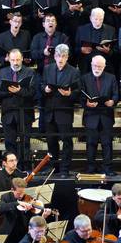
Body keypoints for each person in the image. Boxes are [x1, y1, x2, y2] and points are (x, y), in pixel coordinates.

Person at [41, 44, 80, 177]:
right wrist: (45, 89)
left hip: (64, 111)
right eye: (58, 56)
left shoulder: (74, 72)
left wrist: (70, 94)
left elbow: (78, 92)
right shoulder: (47, 69)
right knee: (51, 141)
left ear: (67, 57)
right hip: (50, 111)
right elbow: (42, 85)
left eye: (63, 56)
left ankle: (65, 169)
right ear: (55, 56)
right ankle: (53, 167)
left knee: (66, 141)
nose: (61, 59)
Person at [0, 48, 36, 163]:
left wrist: (19, 91)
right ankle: (11, 168)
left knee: (25, 143)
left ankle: (24, 167)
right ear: (8, 59)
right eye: (13, 60)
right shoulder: (3, 72)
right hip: (8, 113)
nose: (15, 63)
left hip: (24, 113)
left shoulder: (30, 72)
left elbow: (32, 92)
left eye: (18, 60)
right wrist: (10, 91)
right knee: (9, 143)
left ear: (22, 59)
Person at [80, 55, 118, 173]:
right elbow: (81, 96)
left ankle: (108, 168)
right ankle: (91, 168)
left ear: (104, 66)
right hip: (91, 115)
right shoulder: (85, 78)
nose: (97, 68)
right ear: (91, 65)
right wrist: (86, 103)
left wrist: (113, 101)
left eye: (100, 66)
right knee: (91, 143)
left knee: (107, 144)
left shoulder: (111, 78)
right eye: (95, 66)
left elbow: (116, 94)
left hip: (106, 115)